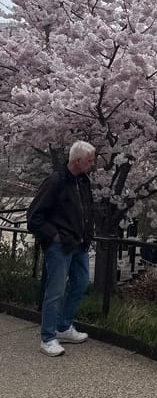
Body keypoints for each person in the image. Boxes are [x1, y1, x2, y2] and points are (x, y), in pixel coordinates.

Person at [27, 141, 96, 357]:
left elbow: (86, 211)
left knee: (80, 284)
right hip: (60, 246)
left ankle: (64, 326)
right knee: (55, 291)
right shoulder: (55, 182)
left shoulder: (83, 182)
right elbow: (34, 217)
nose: (92, 164)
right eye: (89, 161)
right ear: (77, 160)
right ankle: (47, 337)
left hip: (79, 244)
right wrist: (54, 236)